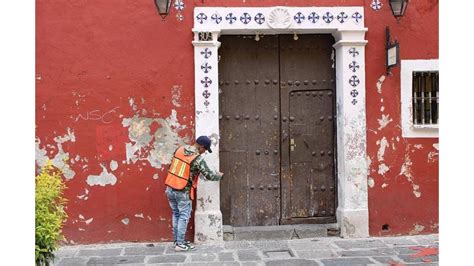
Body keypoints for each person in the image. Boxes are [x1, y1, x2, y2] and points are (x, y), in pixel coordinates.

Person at [164, 136, 223, 252]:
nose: (204, 152)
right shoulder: (197, 159)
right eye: (205, 149)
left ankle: (177, 240)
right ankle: (180, 244)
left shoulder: (180, 149)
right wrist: (219, 176)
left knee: (176, 214)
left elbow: (170, 165)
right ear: (201, 147)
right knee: (183, 217)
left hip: (170, 187)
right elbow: (209, 175)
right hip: (183, 191)